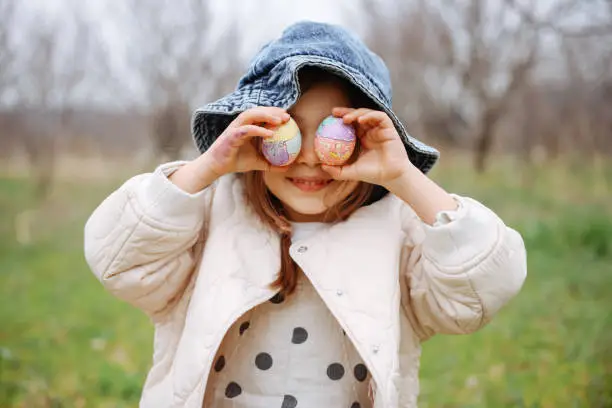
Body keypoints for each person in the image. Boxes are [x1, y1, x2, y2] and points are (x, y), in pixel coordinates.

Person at [84, 21, 527, 408]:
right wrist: (207, 168)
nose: (312, 156)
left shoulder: (401, 231)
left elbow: (484, 289)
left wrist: (404, 177)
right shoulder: (209, 214)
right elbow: (119, 260)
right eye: (288, 127)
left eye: (338, 131)